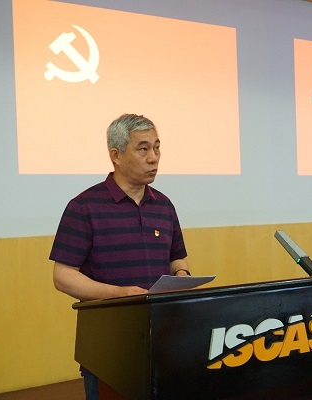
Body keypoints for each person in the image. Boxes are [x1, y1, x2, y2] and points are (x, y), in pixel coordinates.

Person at [49, 113, 191, 399]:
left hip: (163, 345)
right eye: (143, 149)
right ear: (116, 155)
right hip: (108, 351)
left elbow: (177, 259)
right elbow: (63, 277)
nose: (153, 158)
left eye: (157, 148)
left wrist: (182, 278)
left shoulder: (164, 205)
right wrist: (119, 294)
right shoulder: (84, 207)